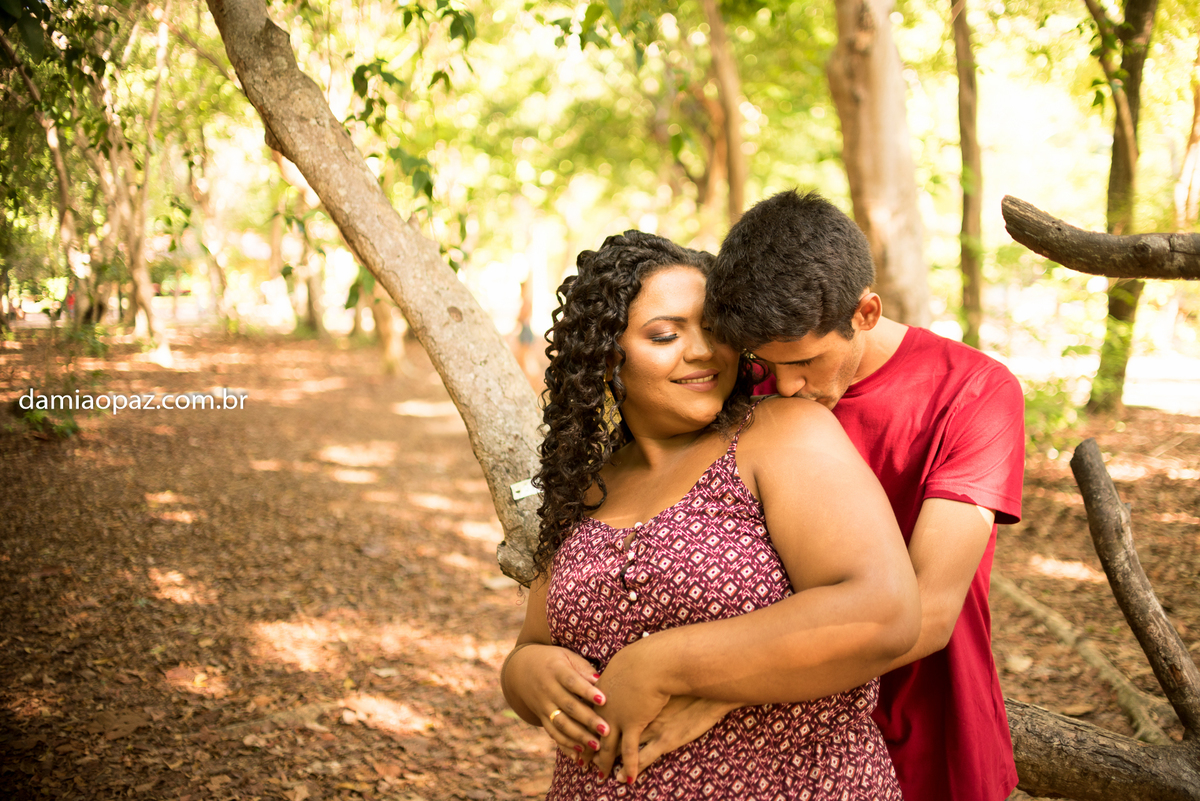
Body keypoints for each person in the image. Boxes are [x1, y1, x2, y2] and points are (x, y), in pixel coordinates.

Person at [499, 231, 921, 799]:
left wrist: (662, 663)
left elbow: (883, 611)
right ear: (603, 356)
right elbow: (531, 644)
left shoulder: (779, 433)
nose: (702, 351)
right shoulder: (586, 487)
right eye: (666, 334)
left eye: (715, 331)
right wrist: (527, 677)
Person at [636, 190, 1025, 801]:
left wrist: (713, 693)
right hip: (778, 753)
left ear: (865, 313)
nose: (786, 387)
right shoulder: (752, 380)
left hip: (930, 737)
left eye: (809, 362)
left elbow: (925, 615)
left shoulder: (974, 393)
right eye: (768, 363)